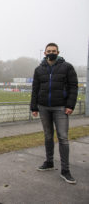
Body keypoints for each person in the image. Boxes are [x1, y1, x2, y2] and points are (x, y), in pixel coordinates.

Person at [31, 43, 78, 184]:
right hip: (44, 107)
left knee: (63, 138)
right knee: (48, 136)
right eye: (49, 51)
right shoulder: (39, 69)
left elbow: (73, 87)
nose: (51, 53)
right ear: (45, 53)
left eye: (53, 51)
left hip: (61, 108)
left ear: (58, 52)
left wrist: (70, 105)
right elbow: (35, 88)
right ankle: (49, 162)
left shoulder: (67, 67)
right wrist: (34, 107)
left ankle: (65, 170)